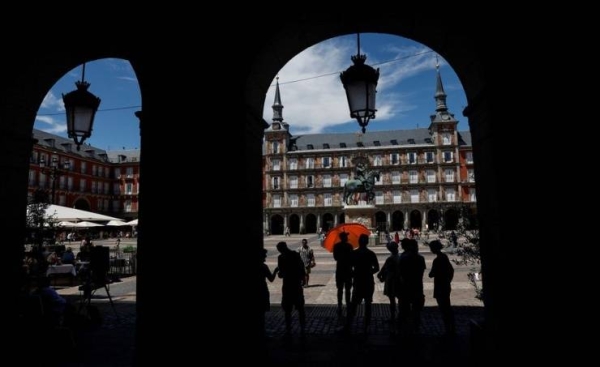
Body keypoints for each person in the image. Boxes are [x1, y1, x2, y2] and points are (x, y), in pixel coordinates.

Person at [345, 234, 379, 333]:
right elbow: (376, 268)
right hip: (368, 281)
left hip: (358, 281)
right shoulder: (371, 253)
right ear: (367, 242)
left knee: (354, 304)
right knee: (368, 304)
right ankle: (366, 326)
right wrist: (369, 272)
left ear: (359, 242)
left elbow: (349, 267)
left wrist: (354, 274)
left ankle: (348, 325)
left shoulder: (354, 253)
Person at [275, 241, 306, 336]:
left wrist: (280, 273)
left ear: (281, 249)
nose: (279, 252)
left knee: (287, 310)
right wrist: (303, 278)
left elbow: (280, 274)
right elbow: (302, 267)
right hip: (296, 284)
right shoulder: (295, 255)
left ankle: (289, 329)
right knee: (300, 308)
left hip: (287, 285)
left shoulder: (280, 258)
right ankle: (302, 328)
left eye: (279, 250)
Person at [398, 238, 426, 335]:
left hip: (405, 286)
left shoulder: (403, 257)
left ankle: (405, 330)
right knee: (416, 311)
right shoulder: (420, 258)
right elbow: (422, 272)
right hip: (417, 286)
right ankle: (416, 329)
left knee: (404, 310)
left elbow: (400, 273)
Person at [428, 240, 456, 336]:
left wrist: (432, 274)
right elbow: (451, 270)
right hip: (446, 284)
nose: (430, 249)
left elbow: (432, 274)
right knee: (447, 306)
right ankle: (451, 327)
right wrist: (449, 280)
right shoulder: (445, 257)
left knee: (443, 308)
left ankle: (448, 329)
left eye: (431, 248)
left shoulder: (437, 260)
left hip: (440, 285)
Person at [377, 241, 401, 326]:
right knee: (400, 298)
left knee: (392, 300)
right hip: (398, 280)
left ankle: (393, 316)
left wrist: (380, 276)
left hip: (391, 281)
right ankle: (400, 315)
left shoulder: (390, 259)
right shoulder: (400, 257)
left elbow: (383, 270)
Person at [332, 231, 353, 317]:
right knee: (348, 289)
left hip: (340, 269)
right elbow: (352, 258)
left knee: (340, 289)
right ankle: (348, 305)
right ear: (344, 237)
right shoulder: (349, 246)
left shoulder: (336, 246)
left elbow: (335, 258)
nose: (347, 238)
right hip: (348, 270)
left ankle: (339, 305)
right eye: (346, 236)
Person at [258, 248, 277, 338]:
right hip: (262, 290)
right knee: (261, 312)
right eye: (264, 255)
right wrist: (276, 271)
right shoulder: (264, 267)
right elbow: (271, 279)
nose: (266, 256)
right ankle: (262, 331)